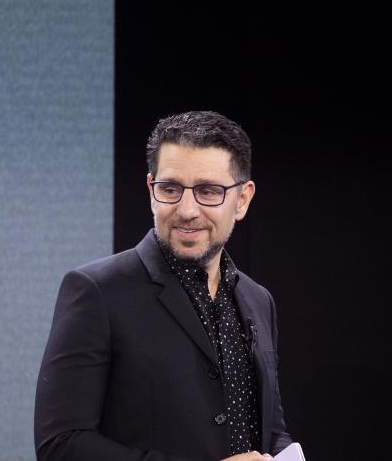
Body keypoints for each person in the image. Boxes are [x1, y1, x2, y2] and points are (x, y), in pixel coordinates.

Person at [34, 111, 293, 461]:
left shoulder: (259, 300)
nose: (187, 209)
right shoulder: (97, 292)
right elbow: (61, 445)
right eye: (170, 189)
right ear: (151, 191)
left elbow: (270, 430)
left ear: (242, 199)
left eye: (208, 191)